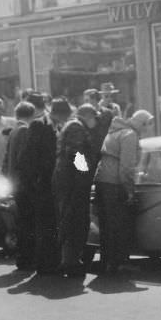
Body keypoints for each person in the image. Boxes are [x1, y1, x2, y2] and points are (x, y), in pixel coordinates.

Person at [94, 110, 154, 275]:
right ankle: (120, 262)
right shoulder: (129, 135)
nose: (148, 130)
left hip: (102, 180)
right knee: (120, 225)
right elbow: (126, 167)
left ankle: (107, 263)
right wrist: (129, 190)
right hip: (115, 183)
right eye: (148, 125)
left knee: (107, 225)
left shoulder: (116, 131)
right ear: (141, 123)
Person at [16, 93, 60, 274]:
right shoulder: (39, 125)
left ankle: (48, 262)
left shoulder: (50, 125)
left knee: (46, 224)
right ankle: (46, 263)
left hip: (47, 182)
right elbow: (27, 159)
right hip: (44, 183)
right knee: (45, 224)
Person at [53, 104, 99, 279]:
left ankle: (68, 260)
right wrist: (85, 174)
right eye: (95, 117)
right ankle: (70, 262)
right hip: (73, 184)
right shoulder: (77, 128)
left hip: (67, 181)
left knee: (69, 221)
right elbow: (76, 153)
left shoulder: (71, 126)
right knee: (74, 222)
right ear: (88, 116)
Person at [3, 101, 36, 271]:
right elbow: (24, 159)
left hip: (15, 183)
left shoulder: (14, 130)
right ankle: (25, 257)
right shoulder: (24, 130)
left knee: (21, 220)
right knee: (26, 222)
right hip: (23, 184)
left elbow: (7, 157)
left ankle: (23, 257)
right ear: (32, 114)